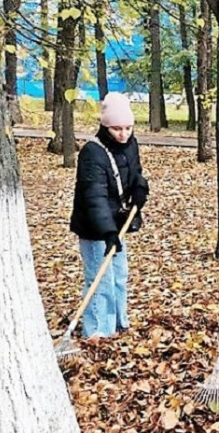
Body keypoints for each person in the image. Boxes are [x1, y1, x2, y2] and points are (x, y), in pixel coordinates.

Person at [70, 92, 149, 339]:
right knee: (100, 279)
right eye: (116, 128)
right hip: (96, 228)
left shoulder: (130, 143)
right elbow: (95, 197)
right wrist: (107, 233)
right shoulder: (92, 153)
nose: (123, 134)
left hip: (117, 223)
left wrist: (139, 189)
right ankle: (96, 332)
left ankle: (118, 323)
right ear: (105, 126)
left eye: (127, 127)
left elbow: (135, 172)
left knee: (119, 277)